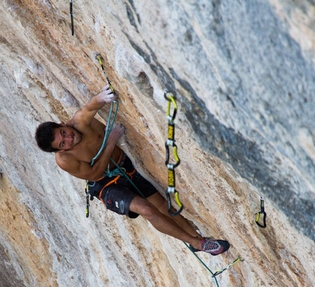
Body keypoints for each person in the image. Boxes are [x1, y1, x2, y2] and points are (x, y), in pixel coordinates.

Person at [35, 85, 230, 255]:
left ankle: (197, 239)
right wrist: (111, 141)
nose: (69, 138)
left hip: (124, 168)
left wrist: (102, 97)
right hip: (105, 185)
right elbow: (94, 174)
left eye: (63, 132)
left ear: (62, 124)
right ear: (58, 150)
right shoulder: (65, 160)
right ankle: (198, 243)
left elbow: (90, 106)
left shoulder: (79, 122)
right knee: (147, 209)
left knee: (164, 207)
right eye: (62, 143)